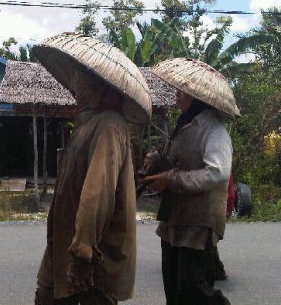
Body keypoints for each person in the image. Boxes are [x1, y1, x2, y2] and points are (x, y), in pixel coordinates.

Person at [33, 33, 152, 304]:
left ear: (99, 85)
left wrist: (83, 254)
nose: (73, 83)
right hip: (62, 251)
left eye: (80, 77)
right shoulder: (87, 124)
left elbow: (96, 197)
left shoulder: (109, 125)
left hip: (91, 263)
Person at [140, 58, 240, 305]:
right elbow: (181, 162)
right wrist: (158, 160)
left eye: (182, 91)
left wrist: (171, 179)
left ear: (197, 96)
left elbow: (217, 173)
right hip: (175, 219)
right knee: (174, 291)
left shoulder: (214, 131)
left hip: (198, 222)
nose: (177, 95)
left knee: (196, 292)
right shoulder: (184, 124)